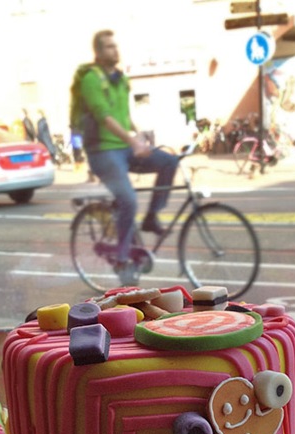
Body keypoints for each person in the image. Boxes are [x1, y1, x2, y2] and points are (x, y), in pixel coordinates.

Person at [77, 29, 179, 283]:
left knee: (169, 161)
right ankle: (122, 259)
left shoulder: (121, 79)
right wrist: (133, 141)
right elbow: (104, 116)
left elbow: (123, 115)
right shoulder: (91, 79)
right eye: (109, 47)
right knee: (129, 200)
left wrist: (139, 134)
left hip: (124, 148)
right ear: (98, 52)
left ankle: (152, 217)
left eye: (116, 45)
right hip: (103, 152)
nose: (115, 50)